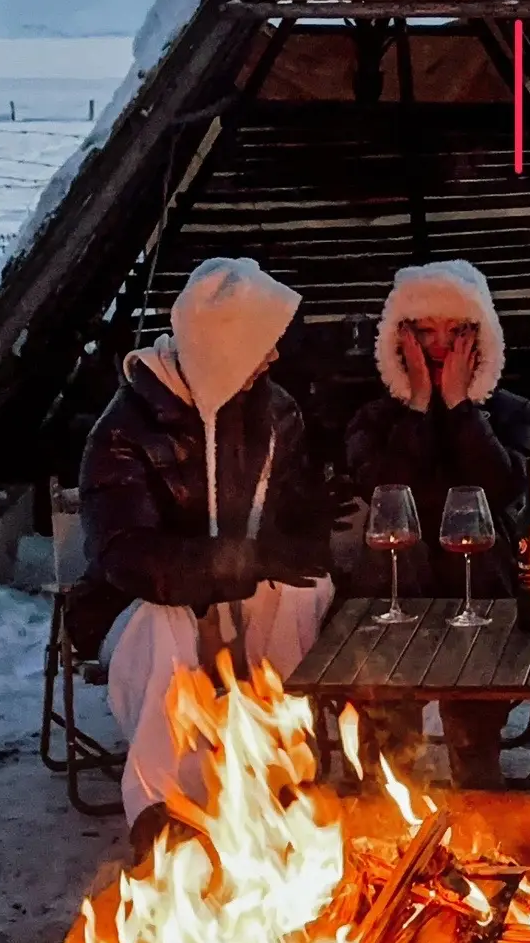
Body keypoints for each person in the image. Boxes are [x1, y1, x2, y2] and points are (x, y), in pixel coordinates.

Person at [80, 256, 339, 855]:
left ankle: (280, 763)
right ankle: (160, 808)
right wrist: (242, 560)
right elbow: (128, 558)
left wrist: (320, 524)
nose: (273, 356)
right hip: (137, 614)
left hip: (242, 606)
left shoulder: (276, 414)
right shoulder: (125, 430)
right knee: (165, 617)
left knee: (304, 587)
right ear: (226, 349)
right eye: (260, 344)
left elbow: (293, 528)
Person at [344, 260, 530, 789]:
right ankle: (390, 758)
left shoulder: (515, 413)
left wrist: (459, 407)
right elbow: (383, 494)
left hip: (482, 578)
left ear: (480, 334)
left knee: (477, 551)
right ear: (400, 336)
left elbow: (508, 489)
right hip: (398, 579)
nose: (439, 346)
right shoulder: (374, 418)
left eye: (455, 331)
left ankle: (475, 748)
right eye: (424, 331)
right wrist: (416, 407)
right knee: (391, 551)